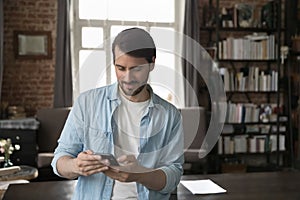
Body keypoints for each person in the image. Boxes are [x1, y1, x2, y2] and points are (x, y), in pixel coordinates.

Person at [51, 27, 184, 200]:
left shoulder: (170, 115)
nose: (127, 78)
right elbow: (60, 159)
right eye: (120, 68)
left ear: (152, 63)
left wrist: (139, 175)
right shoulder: (87, 103)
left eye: (136, 69)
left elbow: (173, 175)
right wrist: (75, 165)